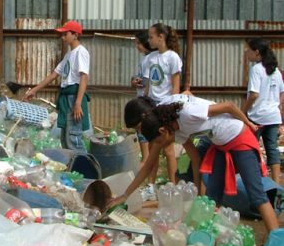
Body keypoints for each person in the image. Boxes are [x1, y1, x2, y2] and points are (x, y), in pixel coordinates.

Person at [109, 98, 279, 232]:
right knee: (212, 198)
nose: (160, 146)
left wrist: (248, 123)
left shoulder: (187, 114)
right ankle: (209, 234)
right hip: (220, 145)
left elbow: (229, 105)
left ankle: (277, 243)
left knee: (257, 196)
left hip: (239, 137)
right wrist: (125, 195)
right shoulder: (174, 128)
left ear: (162, 131)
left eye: (159, 142)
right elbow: (195, 160)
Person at [24, 21, 90, 152]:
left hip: (74, 97)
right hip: (66, 98)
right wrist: (34, 90)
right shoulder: (69, 55)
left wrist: (77, 103)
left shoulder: (81, 52)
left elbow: (84, 77)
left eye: (65, 34)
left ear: (75, 35)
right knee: (65, 139)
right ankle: (72, 168)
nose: (63, 37)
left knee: (73, 138)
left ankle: (84, 168)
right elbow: (54, 74)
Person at [142, 23, 182, 197]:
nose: (149, 40)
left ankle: (173, 185)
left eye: (151, 37)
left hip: (166, 108)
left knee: (168, 148)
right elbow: (148, 85)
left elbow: (175, 86)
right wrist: (144, 103)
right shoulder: (149, 59)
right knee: (152, 148)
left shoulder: (173, 58)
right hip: (152, 106)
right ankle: (151, 186)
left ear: (161, 37)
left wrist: (172, 109)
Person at [242, 38, 284, 184]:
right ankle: (277, 185)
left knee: (251, 150)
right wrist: (278, 108)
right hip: (273, 116)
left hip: (257, 116)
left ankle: (256, 181)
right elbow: (281, 92)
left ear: (257, 52)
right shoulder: (276, 71)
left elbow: (254, 94)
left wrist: (243, 111)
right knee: (272, 149)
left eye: (248, 49)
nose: (246, 52)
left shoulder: (257, 69)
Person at [131, 31, 155, 171]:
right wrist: (134, 81)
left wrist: (137, 82)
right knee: (140, 129)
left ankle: (146, 159)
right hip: (141, 97)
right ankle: (145, 158)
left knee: (143, 129)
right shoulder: (144, 58)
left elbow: (146, 81)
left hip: (146, 99)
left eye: (138, 43)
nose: (137, 46)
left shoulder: (150, 59)